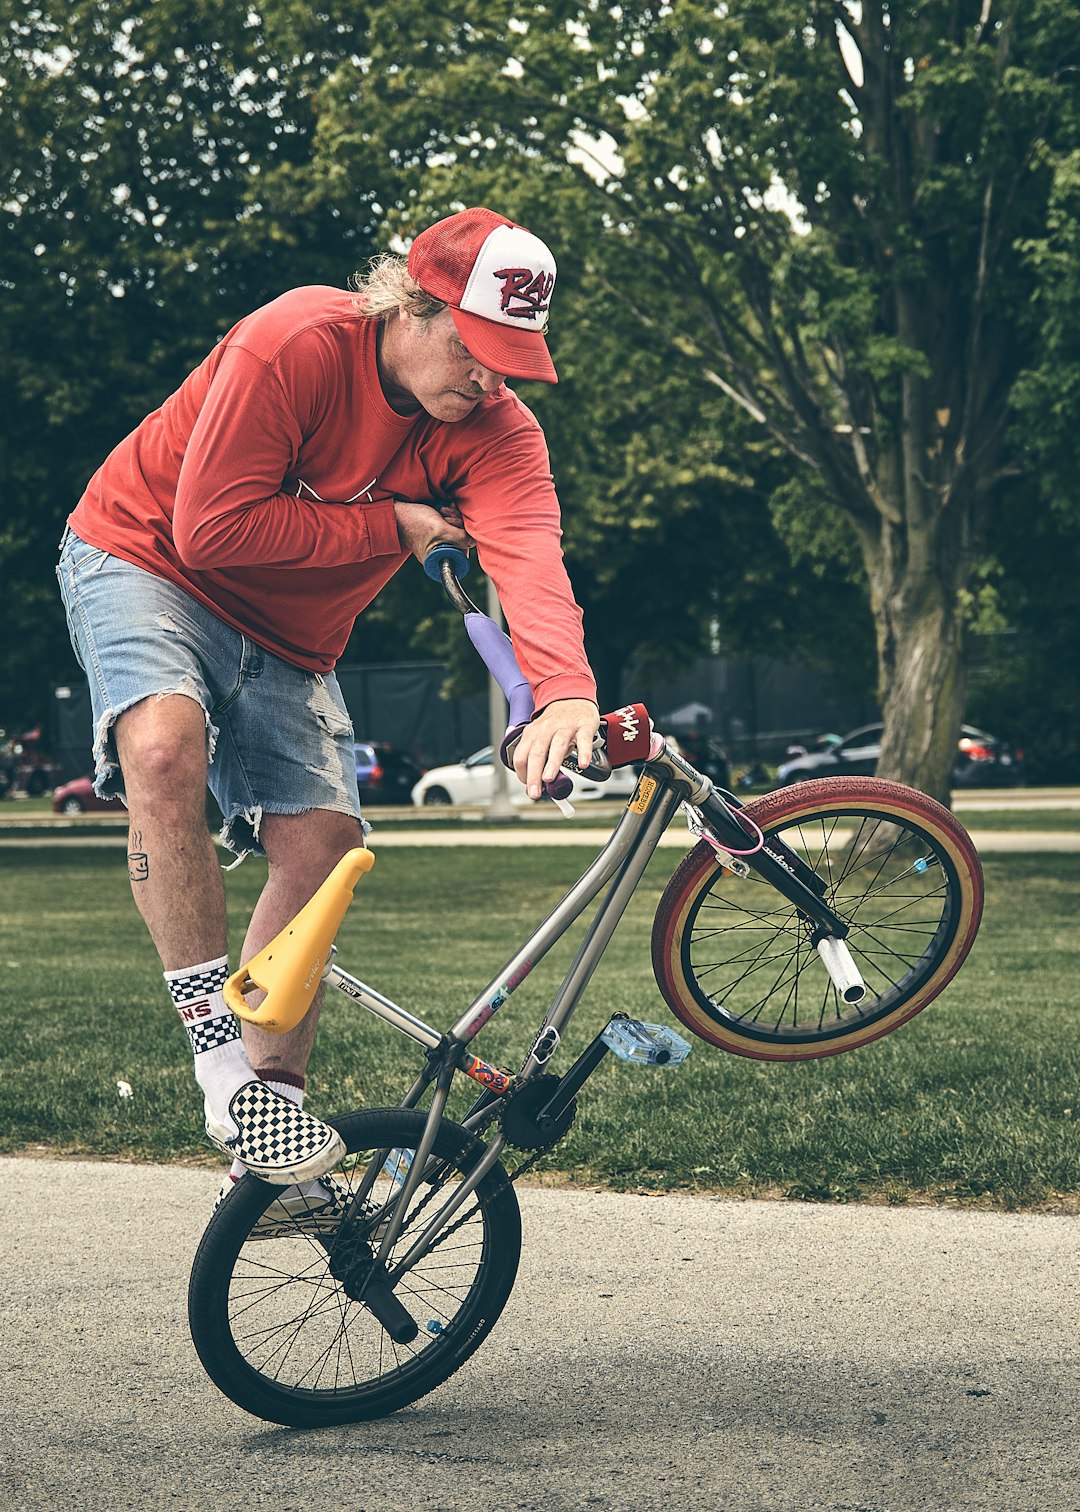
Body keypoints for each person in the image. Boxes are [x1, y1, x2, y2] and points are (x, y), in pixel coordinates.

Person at [57, 206, 600, 1217]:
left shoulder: (495, 434)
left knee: (324, 847)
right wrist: (387, 523)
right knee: (165, 753)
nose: (491, 382)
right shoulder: (297, 341)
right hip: (147, 558)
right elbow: (212, 528)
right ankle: (218, 1065)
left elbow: (529, 556)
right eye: (477, 352)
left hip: (293, 633)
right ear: (413, 301)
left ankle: (269, 1143)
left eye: (512, 362)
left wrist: (564, 687)